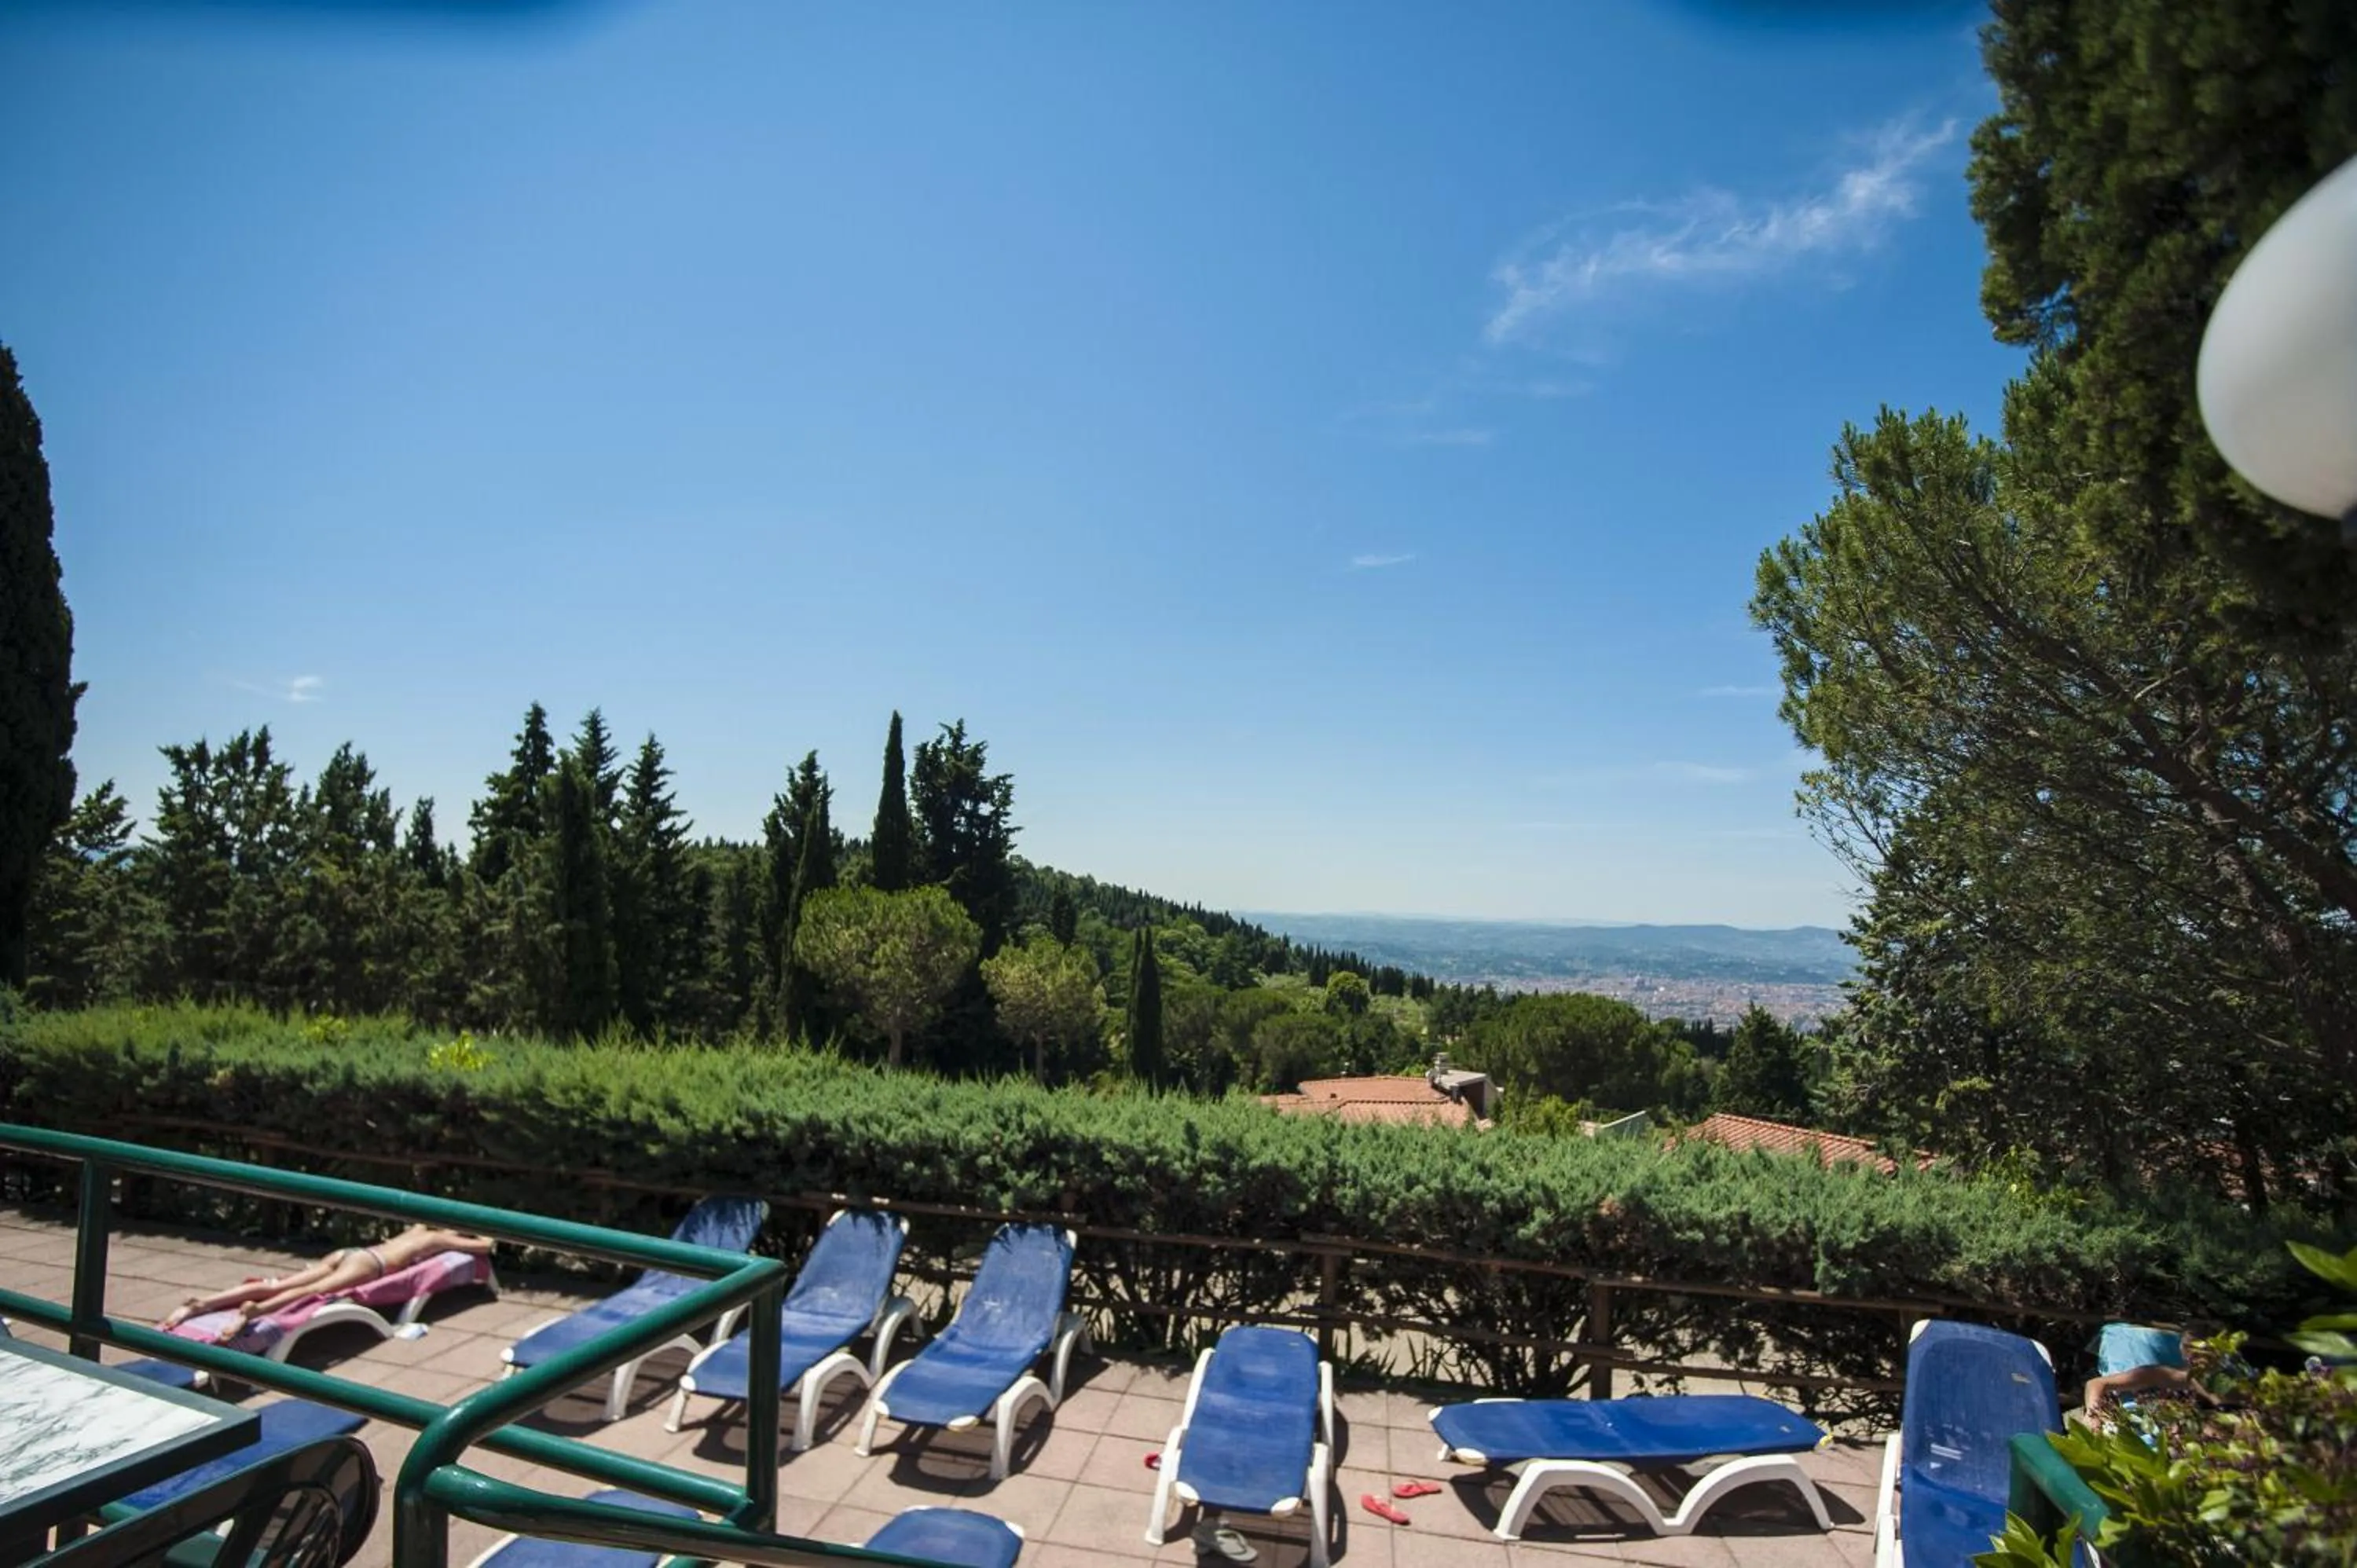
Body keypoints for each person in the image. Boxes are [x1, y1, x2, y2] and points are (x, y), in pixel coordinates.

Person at [160, 1225, 493, 1340]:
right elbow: (485, 1246)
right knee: (310, 1292)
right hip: (372, 1265)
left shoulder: (419, 1229)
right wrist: (475, 1234)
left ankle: (202, 1304)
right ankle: (254, 1312)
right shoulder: (437, 1238)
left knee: (279, 1282)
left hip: (353, 1252)